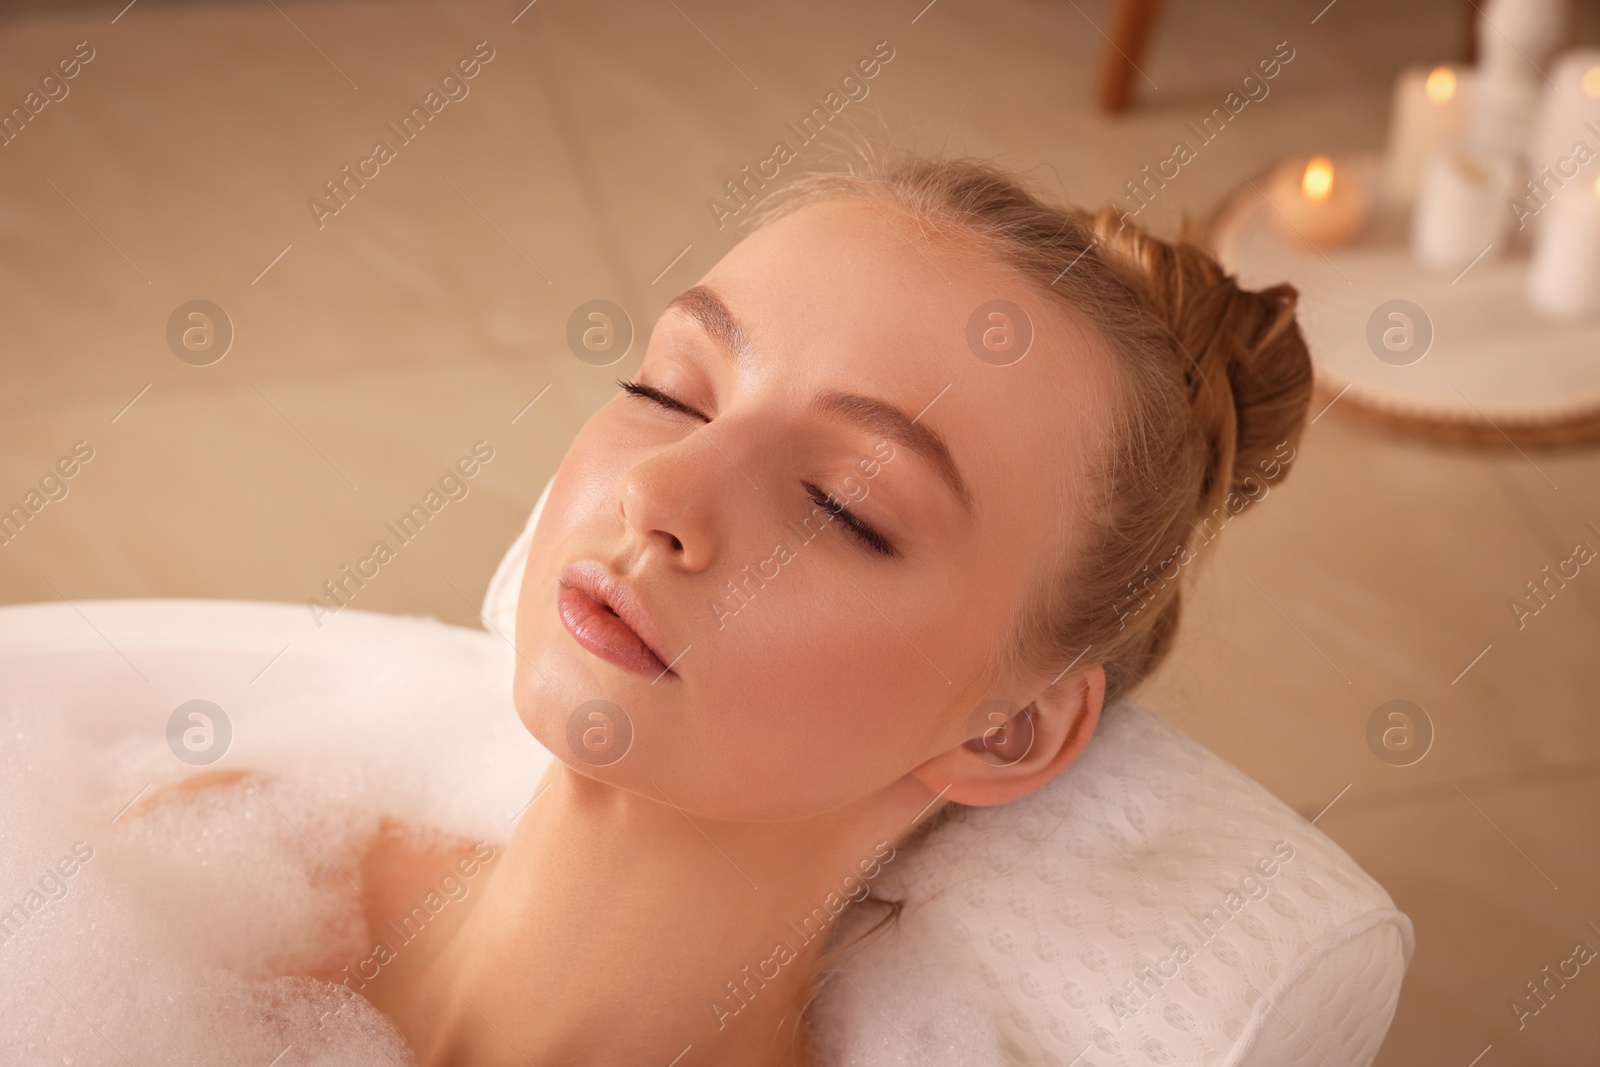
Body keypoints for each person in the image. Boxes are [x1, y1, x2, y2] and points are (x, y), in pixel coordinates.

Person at [136, 149, 1314, 1067]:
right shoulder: (201, 883)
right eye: (672, 391)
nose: (658, 491)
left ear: (1006, 729)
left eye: (841, 505)